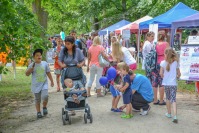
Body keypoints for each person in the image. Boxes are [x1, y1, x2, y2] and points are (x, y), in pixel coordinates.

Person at [25, 49, 54, 118]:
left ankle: (44, 107)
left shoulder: (45, 64)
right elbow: (26, 74)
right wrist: (30, 70)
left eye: (40, 55)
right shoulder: (32, 65)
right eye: (37, 55)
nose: (39, 56)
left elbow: (48, 73)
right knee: (37, 99)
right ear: (34, 57)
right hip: (36, 85)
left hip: (44, 84)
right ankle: (38, 112)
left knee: (45, 96)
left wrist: (52, 81)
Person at [160, 48, 181, 123]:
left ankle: (169, 113)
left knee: (168, 98)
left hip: (166, 83)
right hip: (173, 84)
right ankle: (175, 115)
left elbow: (161, 74)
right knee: (173, 99)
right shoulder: (176, 62)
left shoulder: (163, 63)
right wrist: (177, 77)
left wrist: (164, 77)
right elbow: (179, 74)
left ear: (165, 54)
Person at [152, 33, 169, 105]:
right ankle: (161, 100)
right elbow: (169, 53)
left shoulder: (155, 44)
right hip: (163, 63)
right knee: (161, 82)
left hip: (154, 63)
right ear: (164, 37)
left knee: (155, 83)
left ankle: (155, 100)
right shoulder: (166, 44)